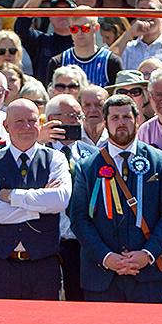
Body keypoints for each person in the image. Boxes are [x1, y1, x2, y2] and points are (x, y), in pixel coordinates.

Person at [71, 94, 162, 303]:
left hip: (148, 274)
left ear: (137, 120)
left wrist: (148, 253)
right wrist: (106, 257)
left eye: (126, 117)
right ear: (105, 123)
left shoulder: (160, 161)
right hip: (101, 275)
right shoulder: (87, 167)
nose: (121, 123)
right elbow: (79, 218)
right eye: (114, 118)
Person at [0, 99, 71, 299]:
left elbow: (60, 200)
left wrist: (11, 196)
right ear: (6, 126)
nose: (26, 127)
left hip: (43, 265)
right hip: (0, 265)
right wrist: (39, 208)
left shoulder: (55, 159)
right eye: (19, 121)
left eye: (32, 120)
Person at [44, 94, 97, 301]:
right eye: (70, 115)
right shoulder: (39, 154)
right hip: (48, 240)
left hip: (80, 243)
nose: (76, 121)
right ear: (52, 119)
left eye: (78, 115)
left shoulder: (92, 154)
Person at [46, 6, 121, 87]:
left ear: (96, 28)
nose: (79, 33)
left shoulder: (111, 61)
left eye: (85, 28)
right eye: (74, 29)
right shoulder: (58, 62)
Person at [111, 0, 162, 70]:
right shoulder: (129, 48)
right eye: (141, 11)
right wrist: (129, 34)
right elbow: (106, 62)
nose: (146, 15)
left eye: (151, 10)